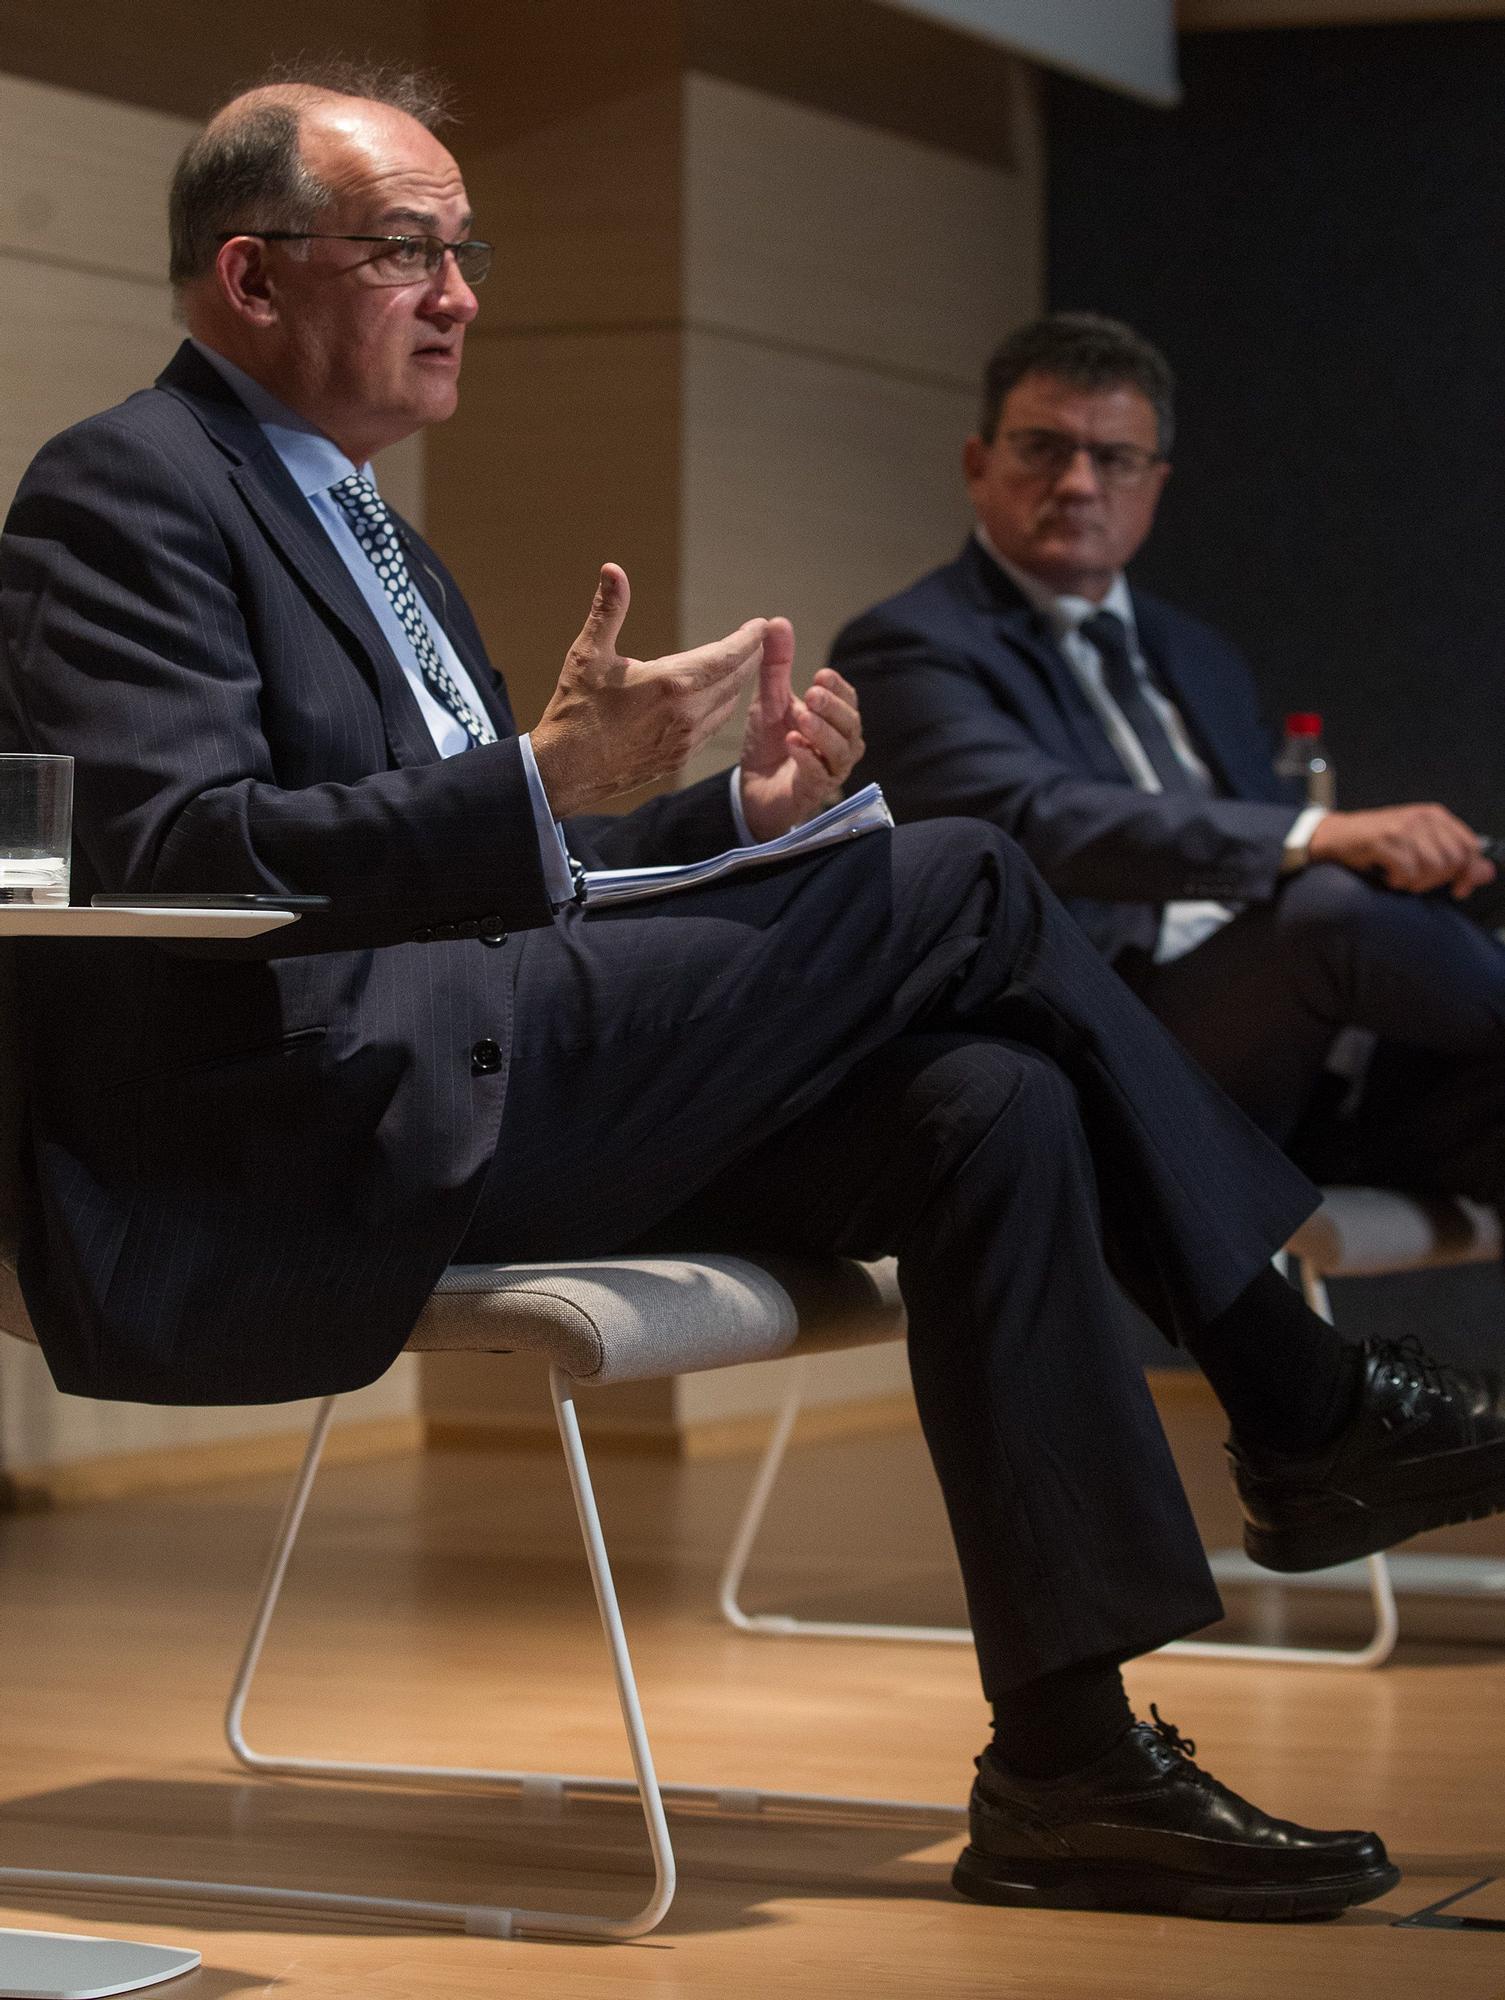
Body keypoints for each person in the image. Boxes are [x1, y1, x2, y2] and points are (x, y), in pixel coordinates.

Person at [4, 69, 1503, 1926]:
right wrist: (551, 778)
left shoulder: (379, 530)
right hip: (316, 1113)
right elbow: (163, 852)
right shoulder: (121, 490)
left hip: (489, 1059)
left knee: (988, 1107)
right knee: (955, 871)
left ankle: (1068, 1766)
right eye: (409, 251)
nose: (461, 290)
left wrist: (727, 811)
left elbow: (509, 860)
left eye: (467, 249)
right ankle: (1298, 1394)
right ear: (249, 276)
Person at [835, 312, 1505, 1205]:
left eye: (1112, 460)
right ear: (977, 465)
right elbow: (1039, 819)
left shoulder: (1195, 653)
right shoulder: (907, 646)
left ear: (1152, 485)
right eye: (1042, 449)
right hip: (1100, 1033)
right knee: (1331, 911)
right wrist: (1320, 831)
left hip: (1289, 1052)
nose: (1077, 484)